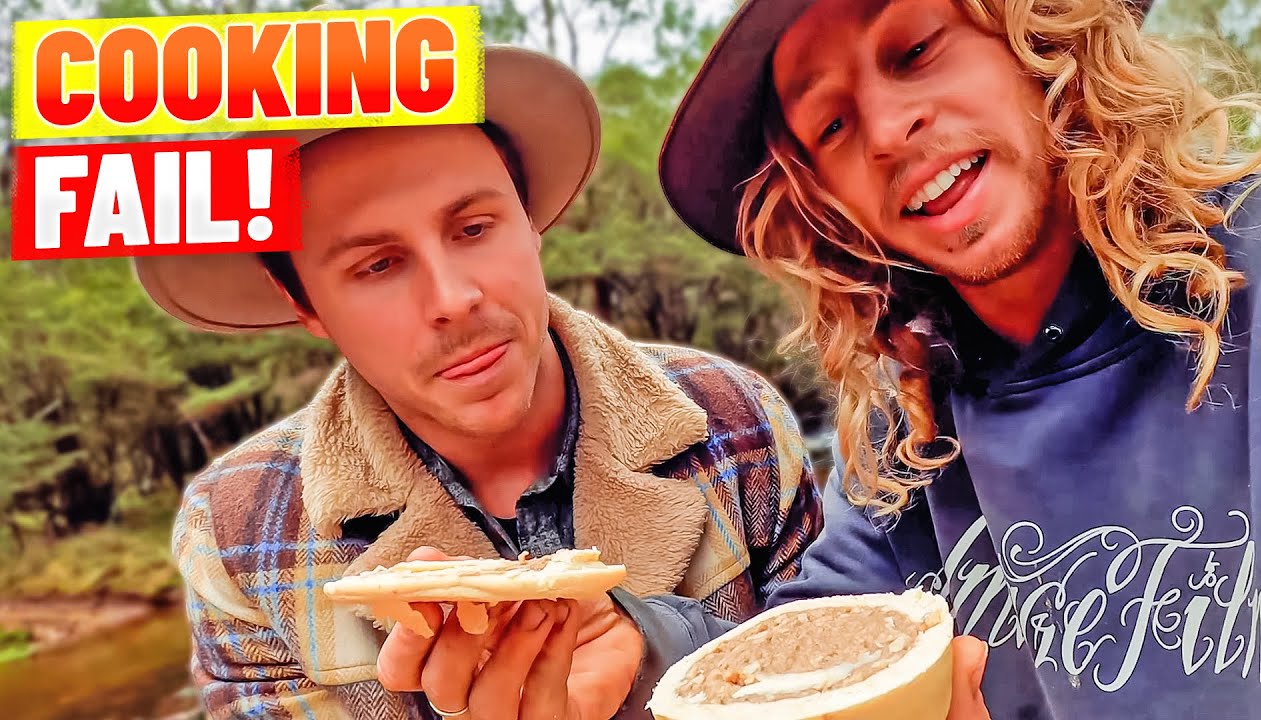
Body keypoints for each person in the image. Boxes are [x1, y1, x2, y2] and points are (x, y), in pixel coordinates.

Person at [642, 0, 1261, 718]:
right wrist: (637, 642)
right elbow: (804, 648)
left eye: (915, 51)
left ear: (1038, 33)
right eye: (832, 125)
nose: (887, 132)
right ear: (826, 202)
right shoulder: (904, 427)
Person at [150, 44, 824, 720]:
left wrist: (652, 664)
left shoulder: (736, 420)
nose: (454, 298)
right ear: (305, 305)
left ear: (529, 222)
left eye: (473, 228)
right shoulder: (240, 535)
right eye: (378, 266)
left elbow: (835, 674)